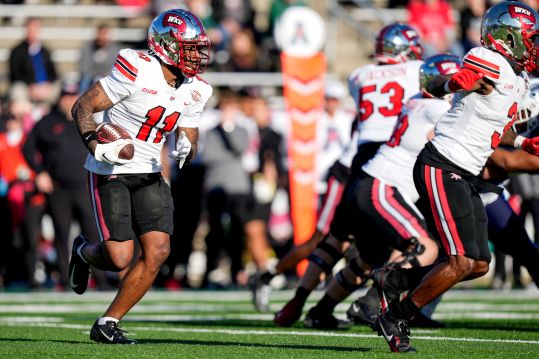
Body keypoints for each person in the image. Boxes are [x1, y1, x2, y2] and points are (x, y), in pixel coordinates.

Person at [374, 2, 539, 353]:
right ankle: (397, 316)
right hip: (442, 164)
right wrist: (451, 81)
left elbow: (498, 130)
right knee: (461, 260)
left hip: (465, 173)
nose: (533, 45)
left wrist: (524, 141)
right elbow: (433, 87)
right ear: (506, 37)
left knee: (478, 264)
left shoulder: (518, 78)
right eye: (528, 38)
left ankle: (395, 278)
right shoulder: (487, 59)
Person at [68, 9, 212, 344]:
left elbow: (189, 133)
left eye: (197, 47)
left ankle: (107, 323)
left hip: (150, 172)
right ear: (165, 45)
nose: (196, 55)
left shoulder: (197, 89)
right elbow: (83, 106)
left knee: (159, 250)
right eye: (189, 47)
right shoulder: (136, 67)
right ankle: (84, 253)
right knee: (119, 257)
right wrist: (94, 144)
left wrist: (186, 148)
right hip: (113, 169)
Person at [271, 23, 424, 325]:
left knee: (338, 239)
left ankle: (300, 303)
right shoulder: (415, 70)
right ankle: (371, 302)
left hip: (359, 159)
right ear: (407, 51)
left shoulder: (359, 75)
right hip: (391, 157)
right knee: (408, 242)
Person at [22, 82, 107, 290]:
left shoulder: (86, 121)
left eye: (72, 96)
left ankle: (101, 279)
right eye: (65, 96)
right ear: (59, 98)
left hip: (85, 187)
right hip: (59, 189)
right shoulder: (47, 122)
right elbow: (28, 148)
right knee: (62, 234)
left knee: (94, 233)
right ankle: (65, 278)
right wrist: (40, 172)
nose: (69, 100)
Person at [9, 18, 58, 104]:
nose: (32, 34)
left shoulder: (45, 51)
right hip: (27, 88)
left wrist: (47, 85)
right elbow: (15, 75)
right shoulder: (17, 51)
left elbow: (53, 73)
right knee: (17, 89)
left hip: (45, 89)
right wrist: (32, 86)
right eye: (30, 30)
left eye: (35, 30)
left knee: (63, 88)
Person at [79, 24, 123, 92]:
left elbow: (115, 67)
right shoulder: (87, 48)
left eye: (105, 34)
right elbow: (84, 67)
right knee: (85, 79)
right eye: (100, 33)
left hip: (108, 77)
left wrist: (104, 75)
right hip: (90, 77)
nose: (102, 37)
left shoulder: (115, 50)